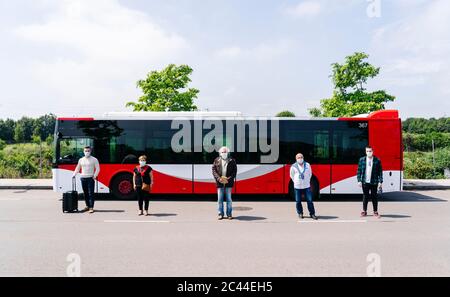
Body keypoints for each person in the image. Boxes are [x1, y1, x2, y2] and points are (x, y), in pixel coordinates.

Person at [357, 146, 383, 218]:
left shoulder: (377, 160)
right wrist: (359, 180)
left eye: (370, 151)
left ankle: (375, 211)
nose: (369, 152)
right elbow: (359, 171)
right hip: (365, 182)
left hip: (374, 181)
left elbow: (380, 172)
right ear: (365, 152)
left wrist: (380, 182)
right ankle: (364, 211)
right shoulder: (362, 160)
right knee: (365, 196)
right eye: (367, 151)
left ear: (373, 151)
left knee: (374, 196)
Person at [290, 153, 318, 220]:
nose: (300, 158)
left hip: (306, 186)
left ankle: (312, 214)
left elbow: (310, 174)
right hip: (297, 187)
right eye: (298, 157)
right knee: (298, 201)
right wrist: (296, 181)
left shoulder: (307, 165)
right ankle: (300, 213)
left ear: (303, 157)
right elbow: (292, 176)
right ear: (296, 159)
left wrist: (307, 180)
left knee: (310, 201)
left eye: (301, 157)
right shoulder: (293, 166)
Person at [73, 146, 100, 214]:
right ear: (83, 151)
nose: (87, 152)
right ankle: (87, 206)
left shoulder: (94, 159)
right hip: (83, 178)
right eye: (85, 151)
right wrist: (74, 174)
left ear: (90, 151)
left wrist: (94, 176)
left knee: (91, 193)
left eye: (88, 151)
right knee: (85, 193)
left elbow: (98, 168)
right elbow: (77, 168)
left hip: (90, 178)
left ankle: (91, 207)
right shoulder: (81, 160)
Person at [212, 146, 237, 220]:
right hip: (220, 183)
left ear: (228, 153)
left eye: (225, 152)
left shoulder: (232, 160)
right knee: (220, 200)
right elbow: (214, 170)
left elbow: (234, 172)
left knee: (229, 200)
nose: (224, 153)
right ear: (220, 153)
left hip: (228, 183)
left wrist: (228, 179)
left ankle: (229, 214)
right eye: (222, 152)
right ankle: (220, 213)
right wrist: (219, 179)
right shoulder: (216, 160)